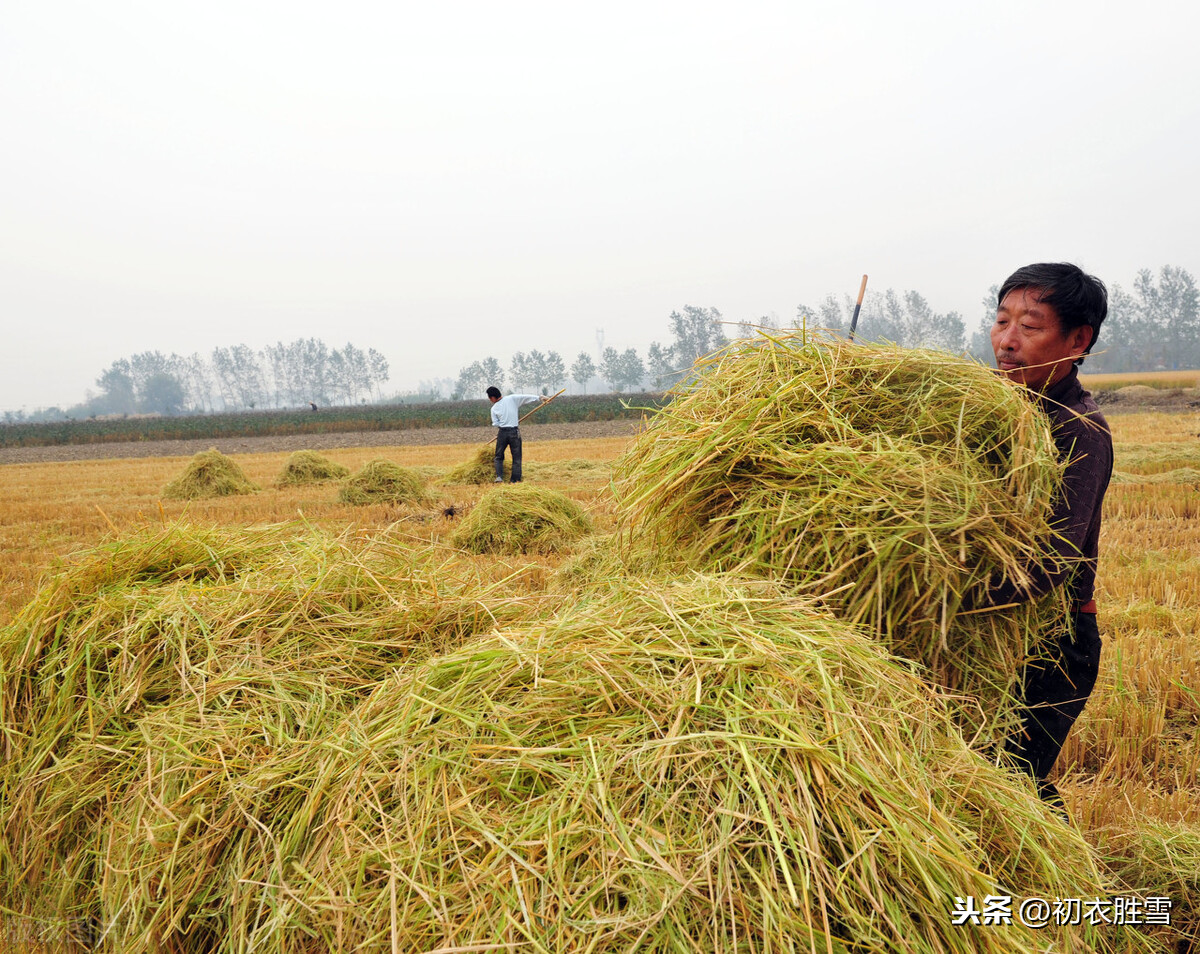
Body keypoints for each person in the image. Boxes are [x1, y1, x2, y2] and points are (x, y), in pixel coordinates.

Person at [983, 262, 1113, 808]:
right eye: (1001, 321)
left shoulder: (1077, 431)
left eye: (1030, 327)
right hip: (977, 635)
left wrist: (922, 592)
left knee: (1011, 790)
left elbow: (1045, 566)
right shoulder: (981, 412)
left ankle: (1069, 886)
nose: (1007, 342)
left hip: (1047, 645)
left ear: (1078, 340)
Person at [486, 386, 546, 483]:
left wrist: (503, 424)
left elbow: (495, 424)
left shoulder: (493, 409)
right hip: (514, 432)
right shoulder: (512, 399)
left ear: (492, 397)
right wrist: (539, 397)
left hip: (502, 433)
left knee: (498, 456)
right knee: (516, 457)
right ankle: (515, 480)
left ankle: (499, 477)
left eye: (489, 398)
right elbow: (525, 397)